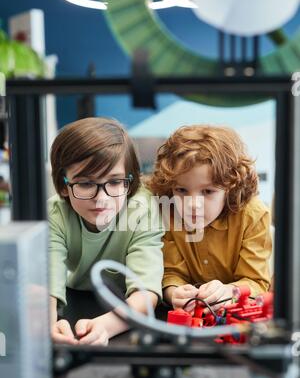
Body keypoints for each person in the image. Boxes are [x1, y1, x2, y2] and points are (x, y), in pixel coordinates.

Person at [49, 117, 164, 345]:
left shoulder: (143, 209)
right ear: (63, 186)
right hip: (74, 296)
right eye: (85, 183)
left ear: (128, 183)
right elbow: (48, 285)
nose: (101, 199)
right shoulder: (55, 214)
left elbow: (146, 293)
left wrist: (106, 327)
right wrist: (48, 322)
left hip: (126, 304)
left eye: (114, 182)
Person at [148, 124, 272, 314]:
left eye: (207, 191)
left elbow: (255, 282)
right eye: (181, 190)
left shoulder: (254, 215)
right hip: (187, 318)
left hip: (237, 318)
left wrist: (230, 291)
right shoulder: (167, 211)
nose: (192, 204)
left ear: (231, 187)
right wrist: (174, 294)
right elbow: (171, 274)